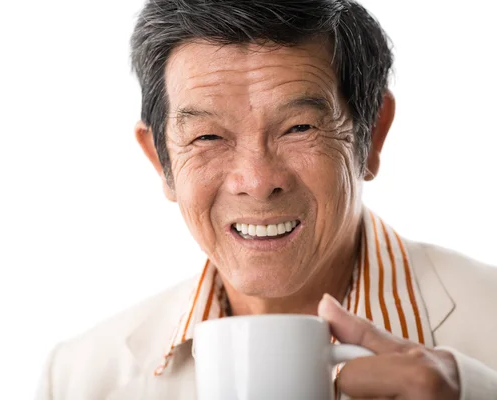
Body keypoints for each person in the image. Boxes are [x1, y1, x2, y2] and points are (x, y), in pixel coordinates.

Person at [35, 0, 497, 398]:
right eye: (208, 136)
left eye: (299, 128)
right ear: (162, 161)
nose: (257, 181)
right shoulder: (80, 378)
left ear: (371, 136)